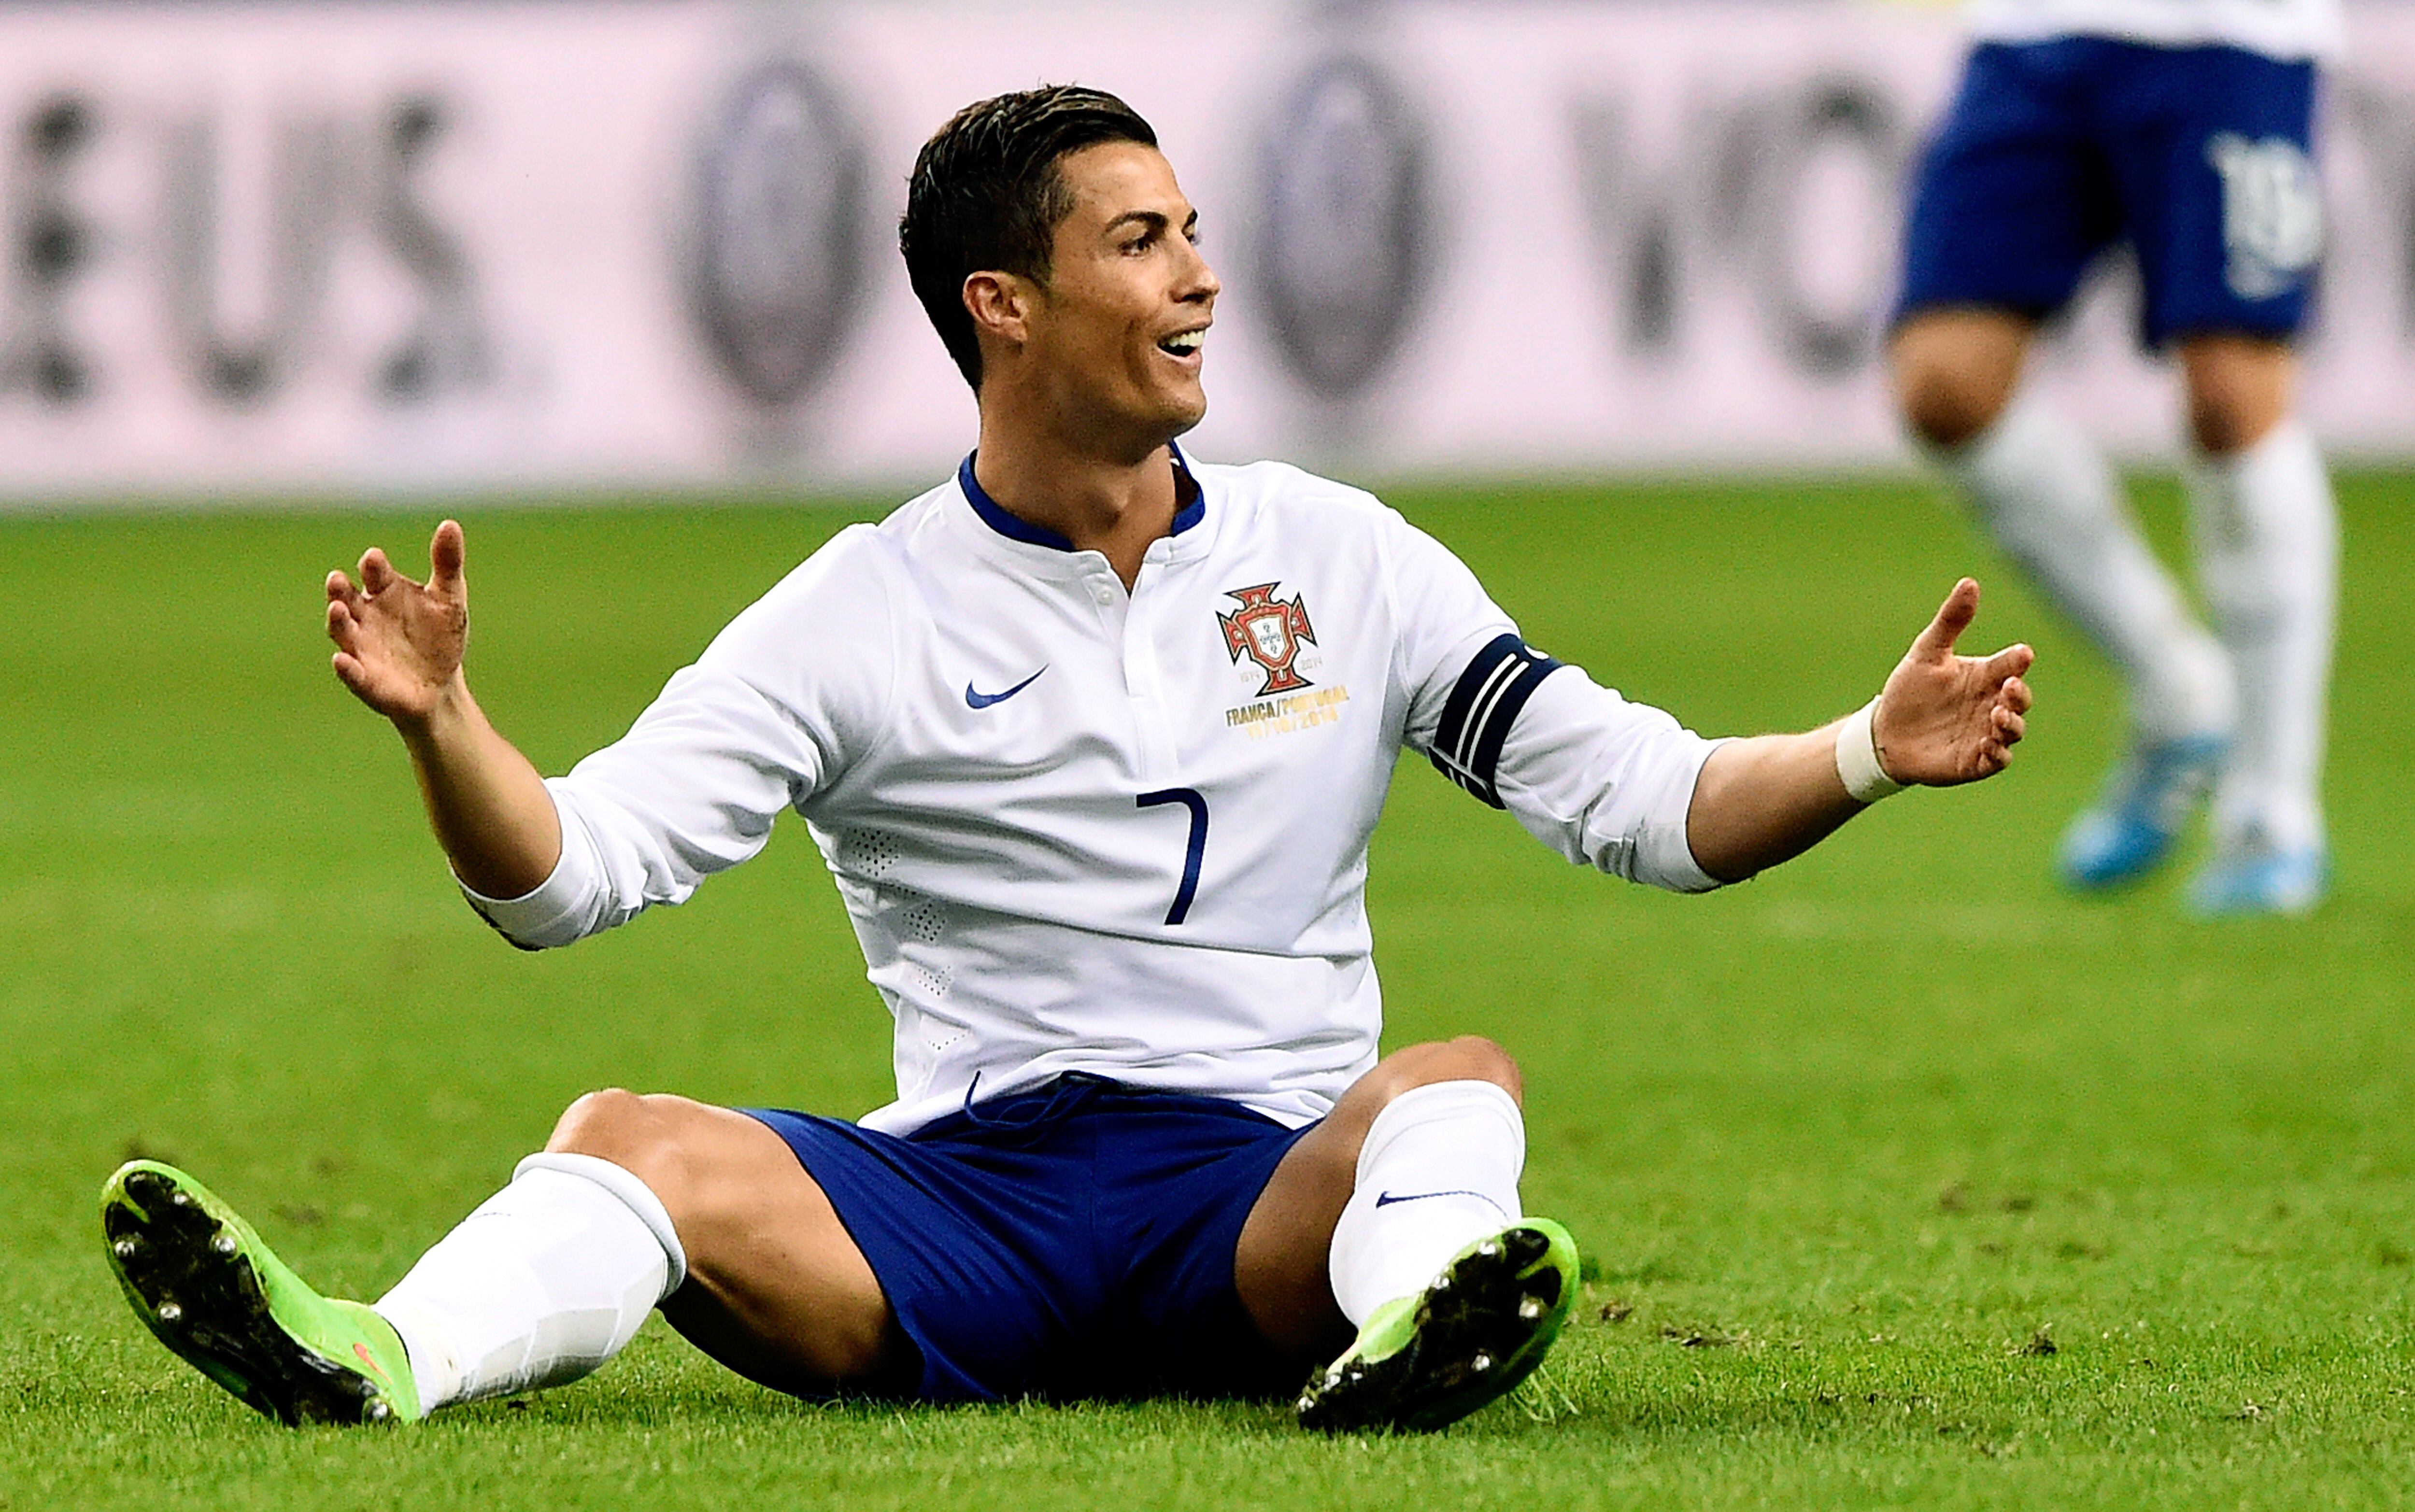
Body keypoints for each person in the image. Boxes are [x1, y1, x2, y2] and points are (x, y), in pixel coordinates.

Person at [101, 85, 2034, 1435]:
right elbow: (565, 880)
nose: (1198, 279)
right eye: (1141, 241)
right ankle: (373, 1358)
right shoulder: (860, 608)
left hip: (1261, 1195)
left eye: (1193, 234)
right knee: (626, 1134)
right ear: (1002, 307)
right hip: (965, 1206)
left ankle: (1412, 1332)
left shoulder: (1340, 556)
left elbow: (1646, 805)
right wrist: (449, 728)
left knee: (1454, 1084)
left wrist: (1861, 751)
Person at [1891, 0, 2340, 915]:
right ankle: (2180, 690)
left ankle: (2270, 813)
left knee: (2234, 393)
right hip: (2036, 31)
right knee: (1946, 383)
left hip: (2231, 35)